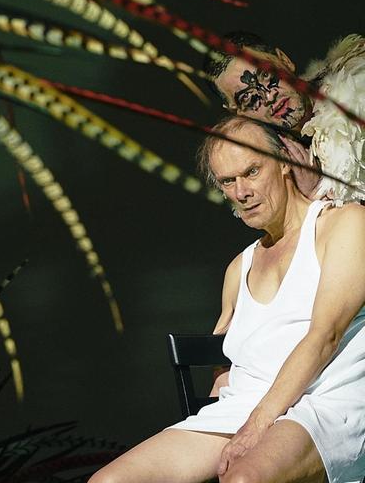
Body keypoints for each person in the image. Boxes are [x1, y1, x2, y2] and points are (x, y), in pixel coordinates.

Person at [89, 116, 365, 483]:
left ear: (285, 161)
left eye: (252, 171)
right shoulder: (239, 268)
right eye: (227, 181)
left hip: (324, 403)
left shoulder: (342, 223)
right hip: (246, 406)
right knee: (109, 482)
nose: (241, 191)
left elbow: (324, 336)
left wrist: (257, 426)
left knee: (242, 480)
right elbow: (225, 365)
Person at [205, 30, 365, 204]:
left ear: (284, 60)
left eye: (266, 75)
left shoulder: (359, 88)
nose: (269, 97)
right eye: (249, 98)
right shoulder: (273, 166)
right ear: (237, 112)